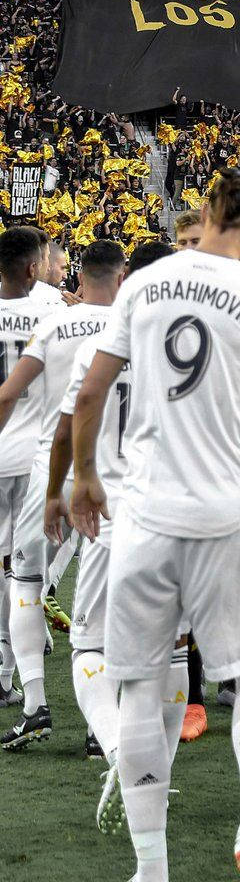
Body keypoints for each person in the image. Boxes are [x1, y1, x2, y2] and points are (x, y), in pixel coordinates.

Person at [69, 169, 240, 882]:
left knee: (140, 687)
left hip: (142, 517)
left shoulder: (144, 283)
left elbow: (89, 392)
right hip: (223, 514)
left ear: (203, 212)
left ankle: (150, 878)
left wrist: (84, 475)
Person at [45, 241, 178, 834]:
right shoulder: (187, 348)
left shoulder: (103, 346)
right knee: (169, 652)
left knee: (88, 648)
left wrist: (58, 490)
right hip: (174, 517)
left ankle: (122, 750)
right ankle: (160, 779)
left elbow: (69, 425)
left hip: (108, 514)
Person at [0, 240, 126, 751]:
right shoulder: (132, 327)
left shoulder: (54, 321)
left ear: (81, 274)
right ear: (120, 279)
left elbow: (10, 393)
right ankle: (103, 724)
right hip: (112, 476)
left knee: (24, 579)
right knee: (109, 599)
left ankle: (34, 705)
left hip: (49, 468)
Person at [0, 229, 54, 707]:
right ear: (33, 268)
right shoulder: (52, 312)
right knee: (24, 570)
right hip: (35, 455)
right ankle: (6, 667)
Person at [172, 211, 207, 743]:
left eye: (196, 241)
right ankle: (189, 696)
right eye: (181, 241)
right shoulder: (157, 300)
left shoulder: (233, 299)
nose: (187, 249)